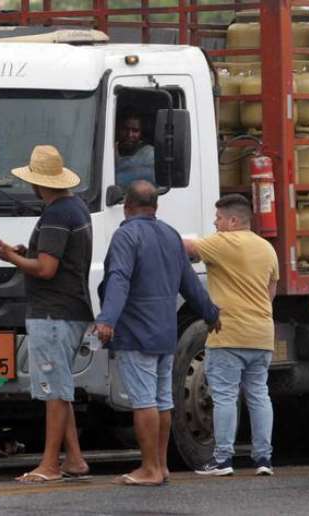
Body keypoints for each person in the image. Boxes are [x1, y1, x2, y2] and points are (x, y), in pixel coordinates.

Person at [94, 180, 220, 486]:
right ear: (156, 206)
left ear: (126, 205)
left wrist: (107, 319)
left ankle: (149, 467)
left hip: (136, 331)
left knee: (143, 401)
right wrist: (211, 313)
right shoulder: (170, 234)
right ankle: (161, 466)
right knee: (163, 401)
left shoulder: (127, 235)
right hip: (165, 333)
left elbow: (119, 278)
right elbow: (189, 283)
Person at [0, 145, 92, 483]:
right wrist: (25, 252)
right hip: (71, 307)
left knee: (54, 391)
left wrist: (11, 257)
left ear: (37, 183)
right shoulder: (76, 208)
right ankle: (74, 459)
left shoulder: (56, 214)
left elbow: (46, 268)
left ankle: (49, 465)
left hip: (53, 312)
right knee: (62, 386)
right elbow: (55, 257)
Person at [183, 194, 279, 477]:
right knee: (259, 394)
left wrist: (156, 231)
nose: (216, 224)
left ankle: (223, 459)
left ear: (233, 220)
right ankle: (263, 458)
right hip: (262, 333)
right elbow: (270, 293)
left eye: (219, 219)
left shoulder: (224, 242)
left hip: (229, 333)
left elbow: (187, 247)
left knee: (224, 396)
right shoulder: (267, 249)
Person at [115, 113, 155, 187]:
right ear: (117, 129)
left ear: (141, 133)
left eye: (135, 131)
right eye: (125, 129)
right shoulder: (109, 150)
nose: (129, 135)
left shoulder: (150, 154)